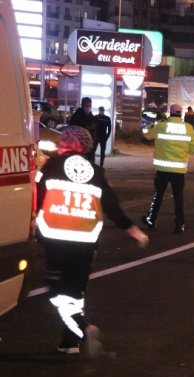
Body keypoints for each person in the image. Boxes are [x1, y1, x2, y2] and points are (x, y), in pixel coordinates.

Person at [34, 126, 149, 357]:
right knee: (76, 291)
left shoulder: (51, 166)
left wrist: (32, 221)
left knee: (57, 290)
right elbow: (111, 204)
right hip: (86, 240)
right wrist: (132, 229)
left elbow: (36, 195)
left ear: (65, 143)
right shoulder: (96, 172)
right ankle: (70, 342)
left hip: (57, 237)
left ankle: (83, 328)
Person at [141, 104, 194, 233]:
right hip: (179, 171)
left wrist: (153, 124)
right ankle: (179, 225)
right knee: (179, 198)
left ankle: (151, 219)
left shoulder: (162, 125)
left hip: (162, 169)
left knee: (158, 195)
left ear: (170, 113)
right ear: (181, 113)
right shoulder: (188, 128)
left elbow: (147, 135)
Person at [68, 97, 97, 164]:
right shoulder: (76, 117)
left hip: (90, 149)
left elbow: (95, 133)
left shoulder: (92, 118)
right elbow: (71, 130)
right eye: (86, 105)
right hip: (77, 149)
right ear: (82, 105)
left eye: (90, 106)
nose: (88, 108)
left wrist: (94, 146)